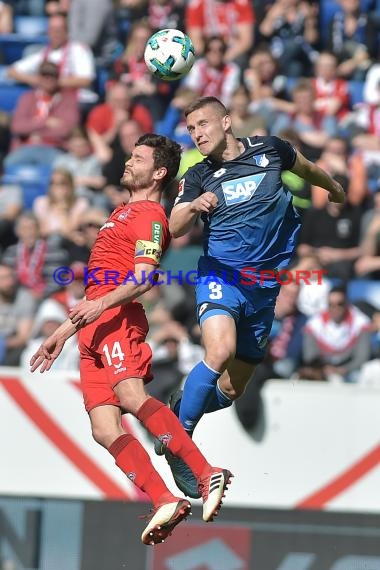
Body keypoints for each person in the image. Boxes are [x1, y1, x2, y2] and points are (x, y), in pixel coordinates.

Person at [29, 133, 232, 546]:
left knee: (133, 396)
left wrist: (99, 308)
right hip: (92, 328)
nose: (128, 162)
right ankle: (164, 499)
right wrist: (62, 333)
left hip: (118, 319)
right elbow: (92, 296)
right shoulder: (120, 212)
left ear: (158, 171)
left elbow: (144, 279)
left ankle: (206, 470)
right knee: (104, 429)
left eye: (137, 158)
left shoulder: (151, 216)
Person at [156, 96, 345, 499]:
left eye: (204, 124)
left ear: (227, 121)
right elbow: (174, 224)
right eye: (191, 129)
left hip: (263, 288)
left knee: (232, 388)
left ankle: (179, 409)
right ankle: (180, 443)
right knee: (219, 351)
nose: (198, 134)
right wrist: (193, 206)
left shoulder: (270, 150)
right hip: (220, 278)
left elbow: (306, 167)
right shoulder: (199, 175)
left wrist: (332, 187)